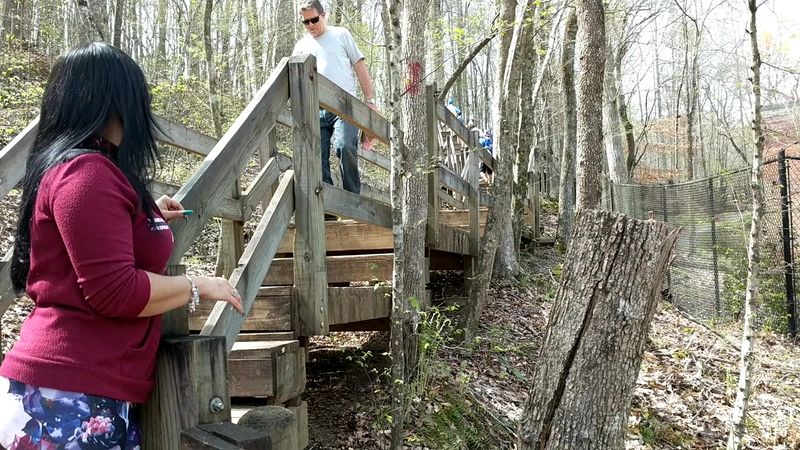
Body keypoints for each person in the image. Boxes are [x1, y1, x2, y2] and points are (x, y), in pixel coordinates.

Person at [0, 42, 244, 450]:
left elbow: (97, 243)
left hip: (81, 386)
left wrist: (145, 218)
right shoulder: (86, 174)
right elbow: (116, 291)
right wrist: (200, 286)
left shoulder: (89, 170)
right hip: (67, 392)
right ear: (116, 102)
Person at [292, 0, 378, 197]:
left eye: (314, 19)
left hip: (345, 107)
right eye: (306, 22)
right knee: (317, 157)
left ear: (324, 15)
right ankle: (327, 209)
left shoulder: (341, 34)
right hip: (315, 108)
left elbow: (360, 66)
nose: (311, 25)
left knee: (345, 146)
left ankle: (353, 199)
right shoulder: (300, 46)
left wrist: (370, 100)